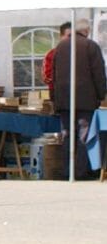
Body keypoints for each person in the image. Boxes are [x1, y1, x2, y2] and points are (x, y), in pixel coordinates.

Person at [50, 20, 107, 179]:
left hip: (64, 101)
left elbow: (53, 75)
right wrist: (102, 95)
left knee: (68, 136)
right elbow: (99, 73)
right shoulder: (90, 46)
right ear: (87, 31)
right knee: (83, 137)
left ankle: (67, 171)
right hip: (85, 100)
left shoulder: (60, 47)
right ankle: (80, 172)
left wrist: (54, 98)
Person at [43, 22, 71, 90]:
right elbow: (47, 77)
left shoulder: (82, 53)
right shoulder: (52, 54)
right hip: (59, 93)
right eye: (69, 35)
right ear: (61, 36)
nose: (72, 39)